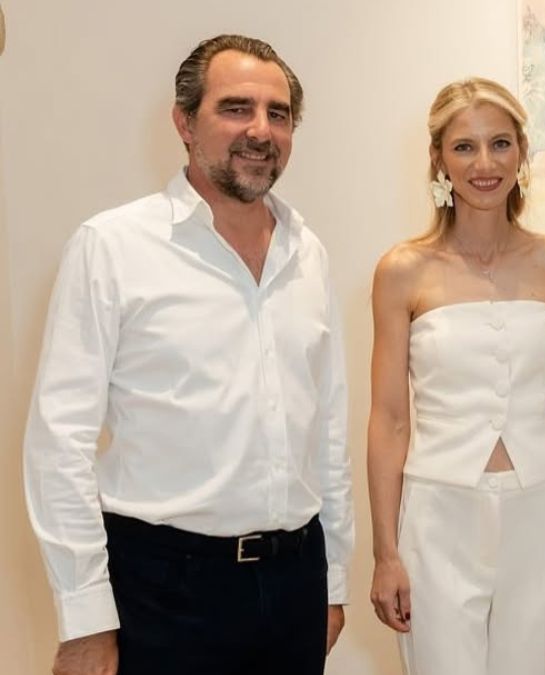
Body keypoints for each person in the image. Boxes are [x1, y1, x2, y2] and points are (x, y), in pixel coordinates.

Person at [23, 34, 353, 675]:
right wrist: (86, 619)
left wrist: (332, 580)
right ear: (184, 123)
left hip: (295, 582)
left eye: (278, 114)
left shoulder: (308, 254)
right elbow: (58, 444)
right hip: (163, 591)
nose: (260, 130)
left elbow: (329, 430)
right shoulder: (112, 247)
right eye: (236, 108)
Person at [367, 77, 545, 675]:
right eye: (464, 147)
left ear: (522, 152)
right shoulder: (402, 271)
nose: (484, 164)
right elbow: (389, 420)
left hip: (541, 508)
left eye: (500, 144)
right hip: (439, 514)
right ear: (438, 158)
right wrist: (385, 552)